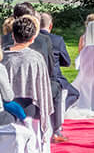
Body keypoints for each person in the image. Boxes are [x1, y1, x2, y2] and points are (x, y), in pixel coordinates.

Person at [0, 17, 54, 133]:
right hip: (30, 109)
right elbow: (43, 90)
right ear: (33, 38)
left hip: (4, 109)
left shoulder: (1, 57)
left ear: (13, 35)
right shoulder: (36, 58)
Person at [33, 10, 77, 140]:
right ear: (50, 25)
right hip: (54, 76)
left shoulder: (33, 39)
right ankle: (57, 121)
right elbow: (67, 61)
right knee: (74, 93)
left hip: (36, 78)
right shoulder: (57, 40)